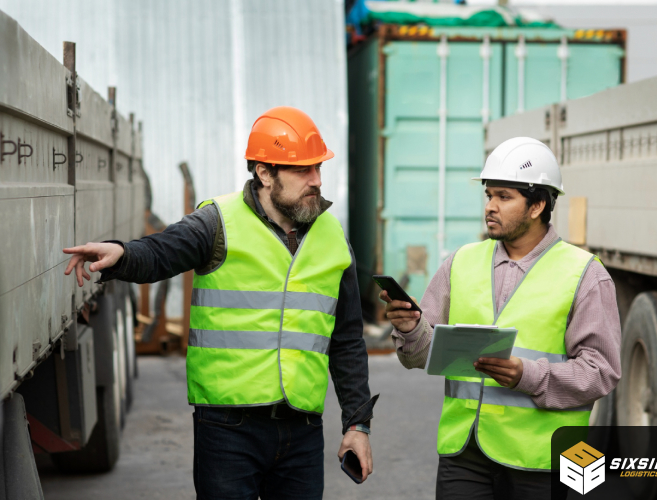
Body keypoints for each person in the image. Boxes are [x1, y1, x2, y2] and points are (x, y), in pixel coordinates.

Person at [63, 106, 377, 499]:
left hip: (303, 430)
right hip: (228, 431)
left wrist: (357, 425)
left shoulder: (333, 236)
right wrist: (123, 255)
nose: (316, 180)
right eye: (302, 170)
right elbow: (162, 251)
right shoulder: (218, 222)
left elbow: (346, 340)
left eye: (318, 168)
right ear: (265, 173)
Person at [382, 137, 621, 499]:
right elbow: (419, 357)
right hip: (464, 454)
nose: (490, 207)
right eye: (489, 195)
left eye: (504, 197)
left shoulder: (584, 274)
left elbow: (601, 372)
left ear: (537, 205)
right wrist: (411, 329)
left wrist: (529, 375)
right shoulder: (460, 262)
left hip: (540, 460)